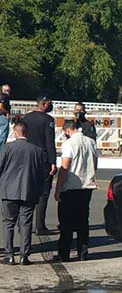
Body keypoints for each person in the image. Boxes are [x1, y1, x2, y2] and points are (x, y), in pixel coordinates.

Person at [0, 122, 47, 265]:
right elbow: (43, 173)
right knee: (25, 224)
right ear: (26, 133)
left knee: (8, 223)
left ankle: (9, 254)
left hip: (9, 191)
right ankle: (24, 256)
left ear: (15, 132)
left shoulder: (7, 148)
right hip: (29, 191)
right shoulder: (37, 151)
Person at [53, 121, 98, 262]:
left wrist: (58, 187)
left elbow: (65, 166)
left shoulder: (69, 144)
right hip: (87, 186)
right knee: (83, 220)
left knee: (66, 222)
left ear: (67, 131)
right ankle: (83, 252)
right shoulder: (91, 142)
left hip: (71, 187)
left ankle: (64, 254)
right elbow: (95, 163)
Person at [23, 96, 57, 235]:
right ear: (43, 104)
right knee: (43, 193)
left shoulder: (27, 118)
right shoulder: (48, 120)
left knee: (27, 192)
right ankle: (40, 226)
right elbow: (50, 142)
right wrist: (53, 162)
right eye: (49, 103)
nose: (51, 105)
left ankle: (25, 224)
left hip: (28, 158)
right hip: (42, 159)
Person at [0, 84, 11, 150]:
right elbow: (0, 107)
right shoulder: (3, 96)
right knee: (3, 134)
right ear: (2, 90)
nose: (8, 92)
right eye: (6, 90)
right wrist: (6, 113)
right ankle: (2, 150)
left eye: (9, 91)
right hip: (2, 116)